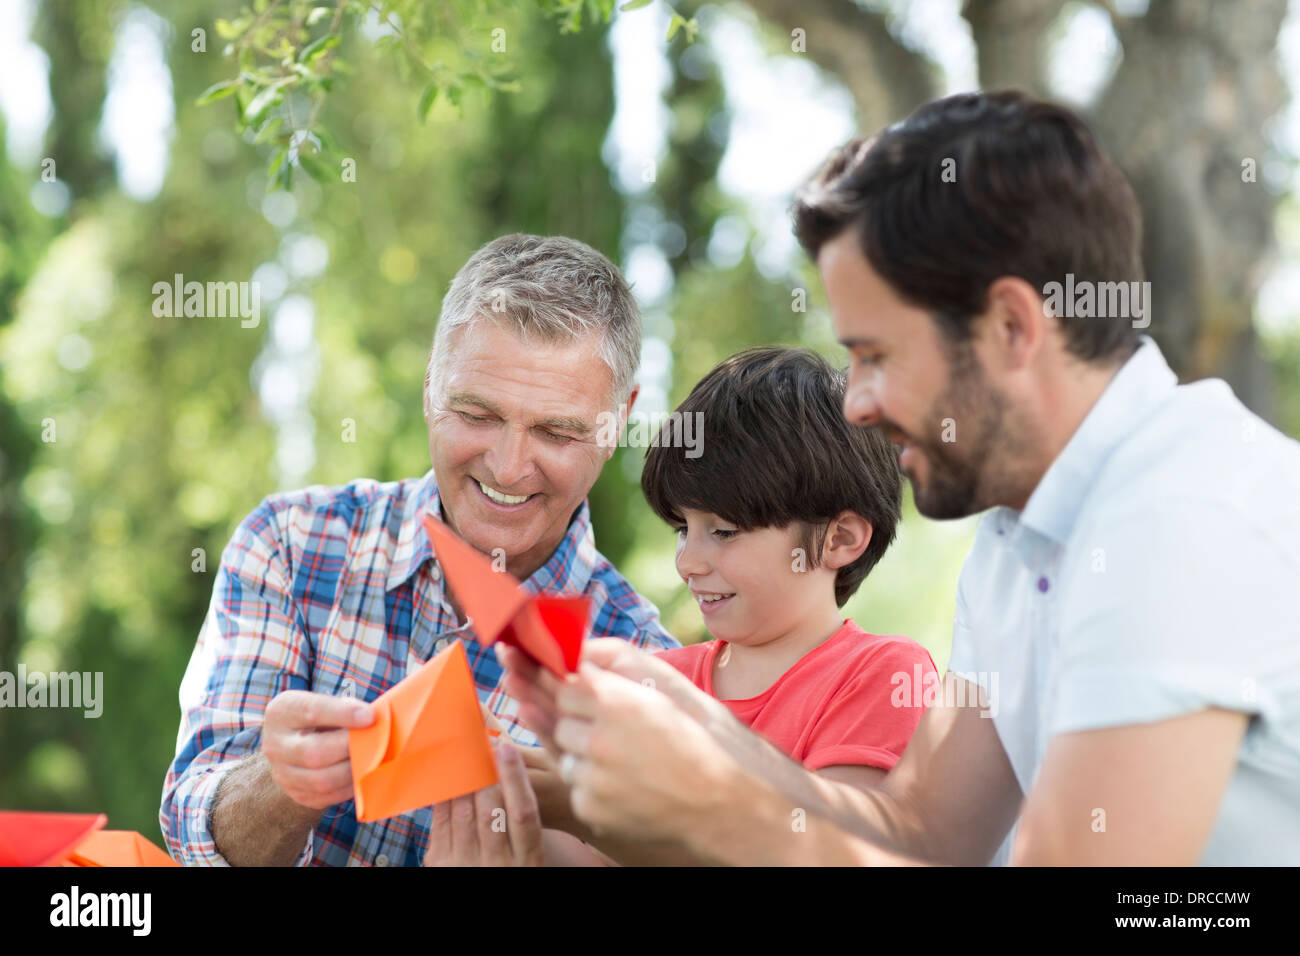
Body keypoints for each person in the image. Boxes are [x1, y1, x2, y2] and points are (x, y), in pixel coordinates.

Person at [498, 90, 1300, 866]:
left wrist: (713, 810)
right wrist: (702, 736)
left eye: (876, 356)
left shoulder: (1181, 518)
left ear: (1014, 327)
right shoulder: (1017, 539)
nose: (856, 403)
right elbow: (921, 832)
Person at [161, 233, 678, 867]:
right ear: (432, 381)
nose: (510, 467)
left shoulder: (647, 675)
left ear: (618, 419)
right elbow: (192, 830)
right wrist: (285, 786)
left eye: (556, 431)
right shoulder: (292, 545)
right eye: (478, 414)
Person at [477, 346, 936, 865]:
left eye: (723, 531)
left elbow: (824, 851)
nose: (688, 562)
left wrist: (599, 818)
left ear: (840, 539)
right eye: (681, 529)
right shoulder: (656, 678)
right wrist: (516, 792)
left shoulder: (881, 674)